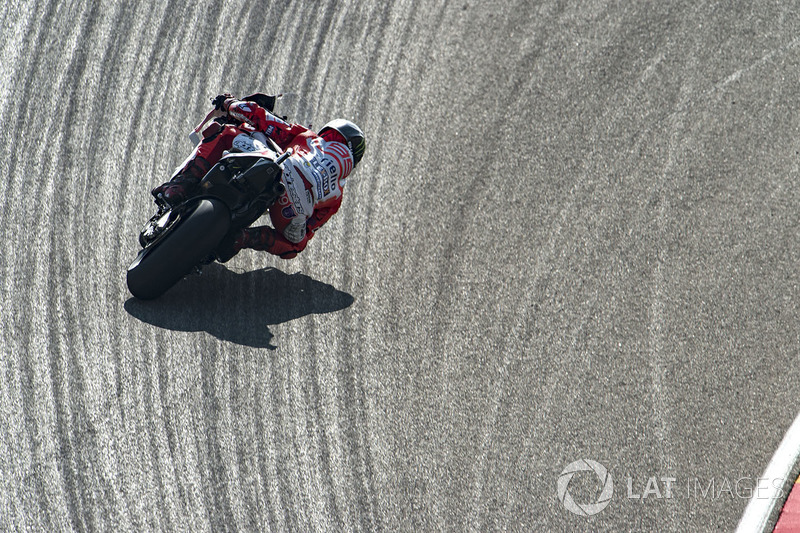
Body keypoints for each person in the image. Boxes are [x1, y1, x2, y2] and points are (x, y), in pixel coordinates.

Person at [151, 93, 365, 261]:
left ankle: (181, 186)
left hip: (286, 166)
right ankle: (243, 238)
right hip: (297, 204)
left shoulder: (310, 138)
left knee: (226, 134)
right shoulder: (337, 195)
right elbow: (307, 231)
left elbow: (263, 119)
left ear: (330, 132)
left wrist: (229, 104)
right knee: (296, 244)